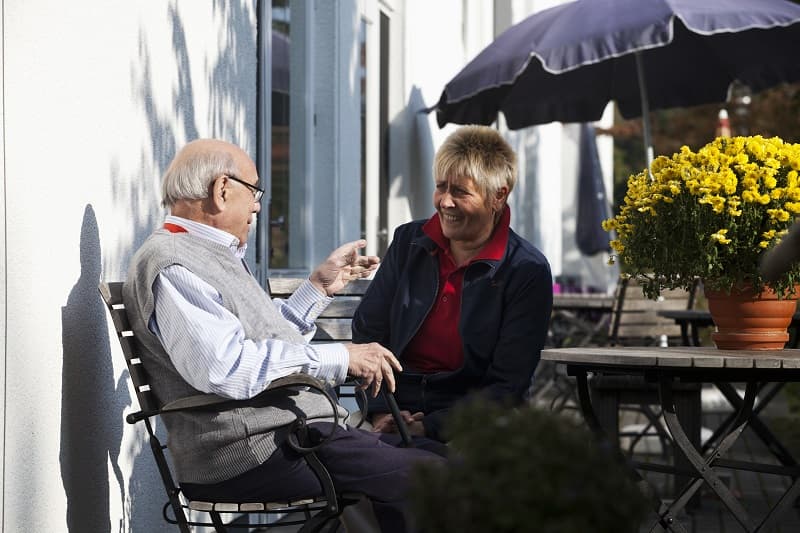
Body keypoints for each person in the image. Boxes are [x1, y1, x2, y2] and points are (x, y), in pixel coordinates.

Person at [123, 138, 443, 533]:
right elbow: (229, 368)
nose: (259, 205)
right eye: (254, 191)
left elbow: (259, 345)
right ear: (222, 190)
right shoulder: (174, 264)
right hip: (255, 451)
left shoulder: (209, 255)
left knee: (442, 460)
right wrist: (340, 356)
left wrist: (317, 289)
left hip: (291, 437)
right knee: (434, 478)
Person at [352, 125, 553, 442]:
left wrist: (431, 427)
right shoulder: (408, 241)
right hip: (393, 403)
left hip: (473, 418)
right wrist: (381, 410)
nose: (444, 201)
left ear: (498, 195)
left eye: (460, 191)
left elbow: (508, 383)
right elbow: (369, 332)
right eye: (440, 187)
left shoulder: (526, 270)